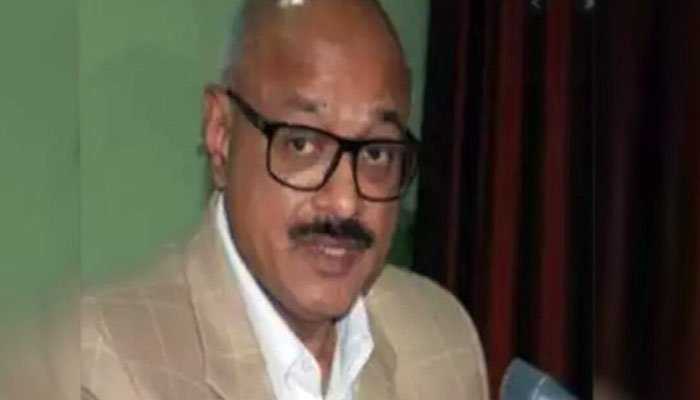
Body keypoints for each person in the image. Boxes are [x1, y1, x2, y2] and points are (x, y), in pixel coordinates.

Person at [81, 0, 489, 399]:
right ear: (221, 134)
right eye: (302, 143)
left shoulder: (441, 341)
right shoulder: (104, 367)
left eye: (377, 153)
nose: (345, 202)